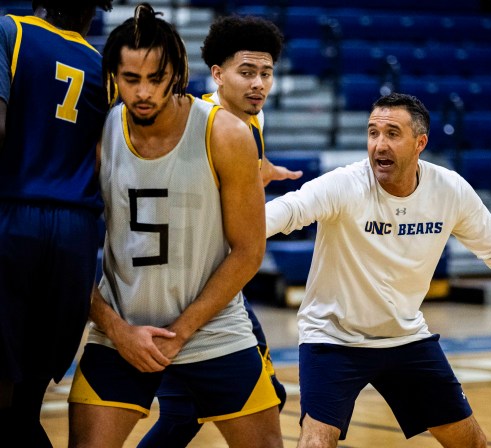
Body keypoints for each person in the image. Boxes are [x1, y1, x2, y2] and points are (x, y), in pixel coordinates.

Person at [265, 92, 491, 447]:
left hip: (404, 337)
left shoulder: (449, 190)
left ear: (420, 142)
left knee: (471, 443)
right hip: (332, 337)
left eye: (392, 133)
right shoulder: (345, 184)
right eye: (372, 132)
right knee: (316, 441)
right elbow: (287, 211)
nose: (379, 144)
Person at [67, 4, 283, 447]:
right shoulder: (98, 134)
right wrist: (116, 328)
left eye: (156, 79)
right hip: (120, 334)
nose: (143, 92)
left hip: (214, 331)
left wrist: (182, 332)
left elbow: (249, 251)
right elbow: (67, 248)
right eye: (131, 79)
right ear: (113, 76)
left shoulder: (226, 134)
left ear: (178, 73)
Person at [138, 14, 299, 448]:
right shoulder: (194, 125)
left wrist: (260, 171)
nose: (258, 84)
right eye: (246, 72)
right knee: (266, 404)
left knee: (182, 413)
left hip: (213, 286)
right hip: (198, 290)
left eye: (266, 74)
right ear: (217, 74)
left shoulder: (251, 122)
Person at [0, 1, 112, 446]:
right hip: (75, 236)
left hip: (13, 217)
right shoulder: (103, 65)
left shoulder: (11, 31)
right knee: (27, 404)